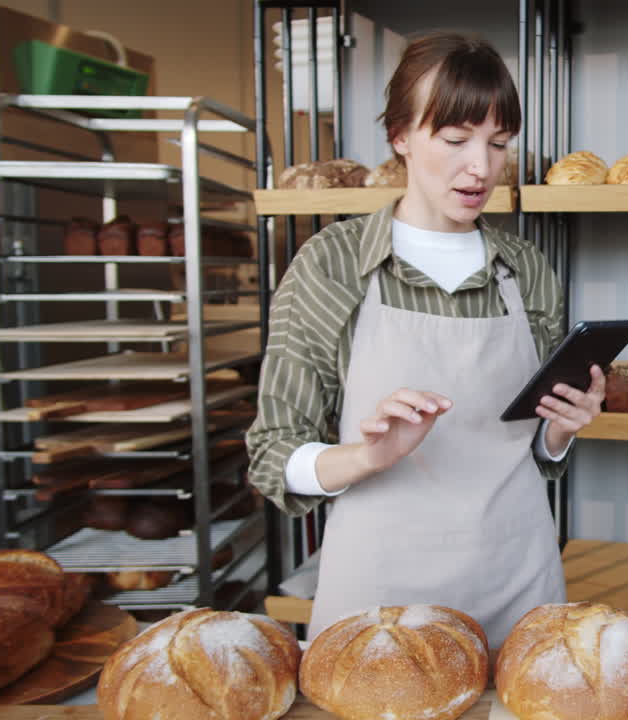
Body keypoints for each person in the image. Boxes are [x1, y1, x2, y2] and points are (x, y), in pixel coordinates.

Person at [246, 31, 605, 645]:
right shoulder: (332, 264)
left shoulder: (526, 268)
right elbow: (273, 455)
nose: (482, 168)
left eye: (498, 143)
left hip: (517, 581)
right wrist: (369, 456)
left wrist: (561, 430)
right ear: (401, 137)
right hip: (380, 600)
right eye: (456, 139)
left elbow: (533, 454)